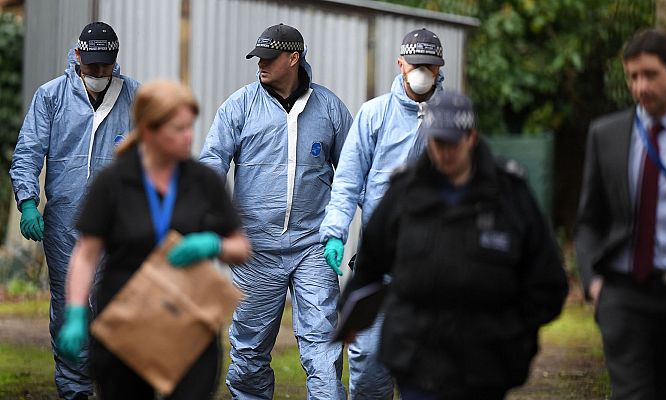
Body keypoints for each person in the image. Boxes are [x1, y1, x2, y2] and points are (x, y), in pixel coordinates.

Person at [341, 91, 568, 399]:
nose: (444, 153)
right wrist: (351, 311)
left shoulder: (509, 195)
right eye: (437, 143)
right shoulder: (405, 193)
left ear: (471, 137)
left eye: (452, 143)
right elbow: (370, 264)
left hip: (483, 366)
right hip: (417, 361)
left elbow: (547, 281)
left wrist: (511, 333)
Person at [55, 80, 252, 399]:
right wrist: (76, 311)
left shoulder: (204, 182)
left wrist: (212, 245)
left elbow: (240, 247)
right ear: (148, 131)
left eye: (190, 127)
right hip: (126, 323)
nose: (189, 137)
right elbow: (86, 254)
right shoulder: (113, 183)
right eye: (178, 129)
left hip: (188, 321)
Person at [199, 23, 352, 399]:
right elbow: (212, 163)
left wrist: (353, 232)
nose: (261, 65)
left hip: (312, 247)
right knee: (249, 352)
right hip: (254, 250)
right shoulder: (240, 106)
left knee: (323, 345)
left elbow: (352, 173)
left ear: (293, 58)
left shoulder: (329, 109)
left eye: (269, 58)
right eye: (258, 58)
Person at [575, 28, 666, 400]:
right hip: (623, 294)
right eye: (632, 76)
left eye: (650, 74)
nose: (640, 87)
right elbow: (589, 221)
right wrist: (594, 284)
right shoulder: (606, 135)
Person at [8, 21, 139, 400]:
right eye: (92, 65)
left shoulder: (135, 98)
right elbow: (29, 152)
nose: (99, 73)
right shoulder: (51, 97)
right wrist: (28, 203)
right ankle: (75, 390)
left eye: (106, 66)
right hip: (66, 225)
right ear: (78, 55)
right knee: (72, 308)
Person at [319, 27, 445, 399]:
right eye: (416, 64)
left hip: (432, 265)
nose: (422, 72)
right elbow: (347, 181)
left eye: (430, 66)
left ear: (440, 69)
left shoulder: (449, 117)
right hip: (379, 265)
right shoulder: (374, 114)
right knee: (370, 361)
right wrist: (334, 231)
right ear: (400, 64)